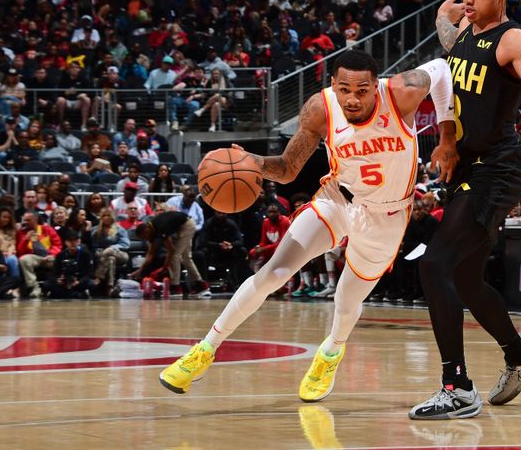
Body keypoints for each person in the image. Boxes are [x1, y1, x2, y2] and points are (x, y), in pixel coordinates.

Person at [159, 49, 456, 404]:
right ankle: (206, 349)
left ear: (376, 86)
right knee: (273, 272)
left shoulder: (402, 91)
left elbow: (441, 68)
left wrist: (447, 134)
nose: (353, 98)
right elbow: (287, 168)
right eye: (344, 88)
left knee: (346, 301)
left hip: (386, 216)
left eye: (362, 90)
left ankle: (330, 352)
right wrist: (253, 162)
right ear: (333, 84)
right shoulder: (321, 108)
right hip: (337, 199)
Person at [409, 0, 521, 420]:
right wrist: (442, 17)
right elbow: (451, 82)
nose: (468, 0)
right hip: (469, 166)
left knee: (435, 265)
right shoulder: (464, 37)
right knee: (465, 280)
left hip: (497, 169)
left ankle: (456, 387)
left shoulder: (512, 40)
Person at [132, 211, 209, 299]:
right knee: (186, 258)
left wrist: (165, 267)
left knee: (176, 256)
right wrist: (140, 270)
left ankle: (175, 287)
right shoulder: (151, 230)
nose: (145, 239)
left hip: (187, 225)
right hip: (184, 225)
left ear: (146, 230)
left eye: (144, 237)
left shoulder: (161, 227)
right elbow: (150, 254)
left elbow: (171, 250)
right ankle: (201, 285)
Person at [16, 211, 63, 298]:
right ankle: (34, 287)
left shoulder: (47, 229)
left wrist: (52, 254)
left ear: (35, 220)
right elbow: (20, 252)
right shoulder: (21, 233)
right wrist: (26, 239)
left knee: (58, 261)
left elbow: (57, 245)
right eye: (24, 220)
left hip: (49, 256)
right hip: (34, 258)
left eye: (28, 220)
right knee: (24, 259)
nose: (25, 222)